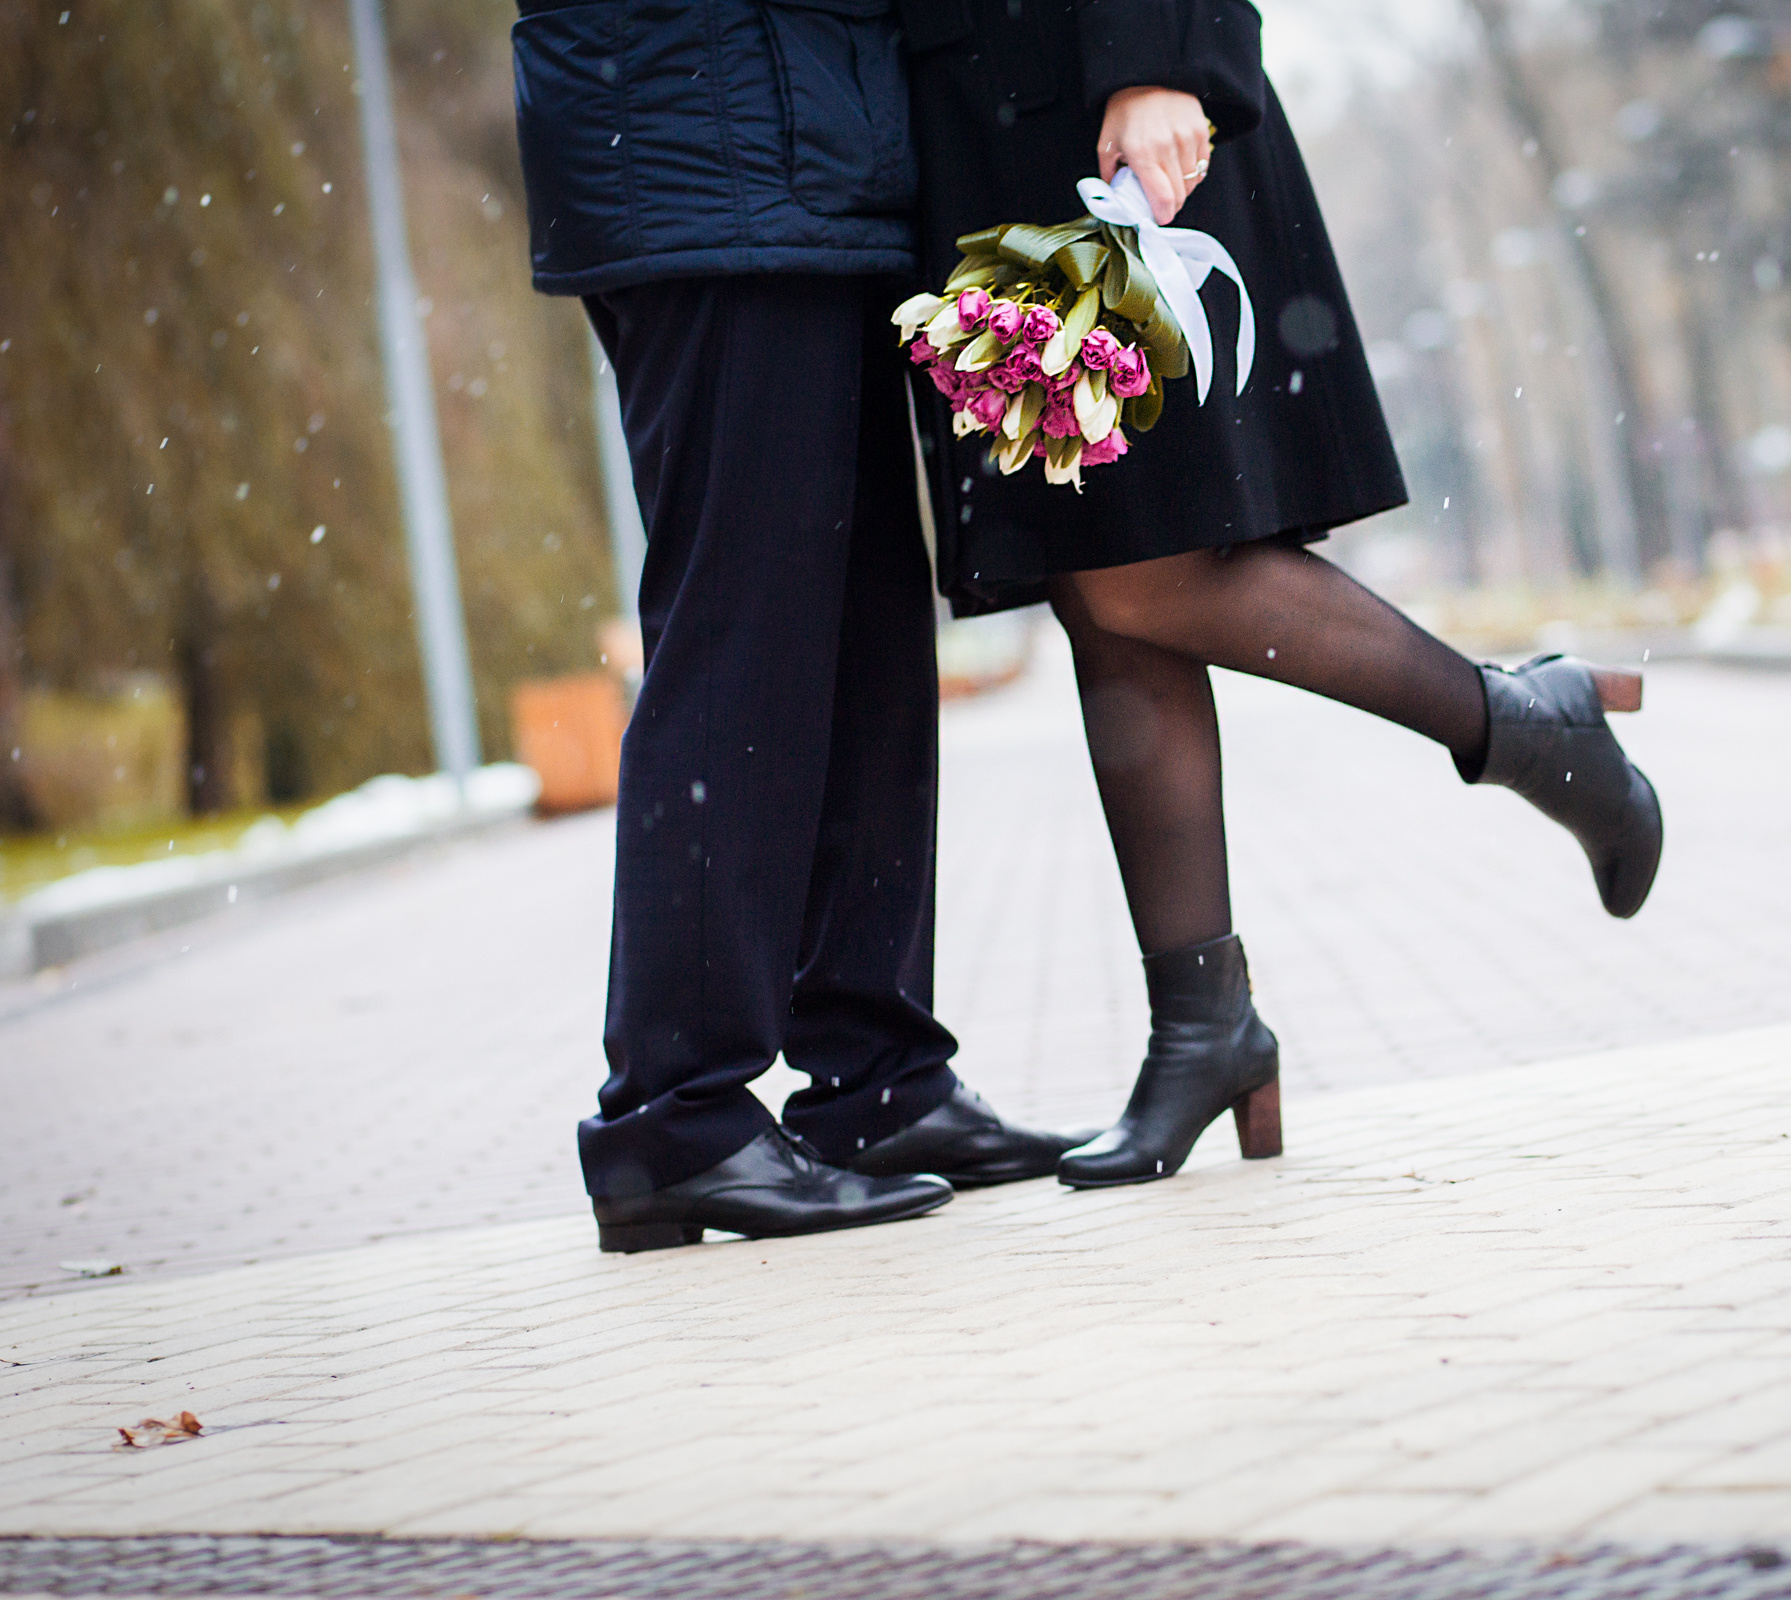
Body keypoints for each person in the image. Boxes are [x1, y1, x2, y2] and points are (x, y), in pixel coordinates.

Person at [898, 0, 1664, 1188]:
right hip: (976, 113)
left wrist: (1159, 58)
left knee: (1140, 572)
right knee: (1099, 595)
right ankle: (1205, 1032)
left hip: (1114, 102)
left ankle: (1515, 724)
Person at [511, 0, 1087, 1253]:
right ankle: (677, 1118)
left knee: (865, 645)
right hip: (703, 152)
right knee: (744, 643)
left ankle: (877, 1079)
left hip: (800, 160)